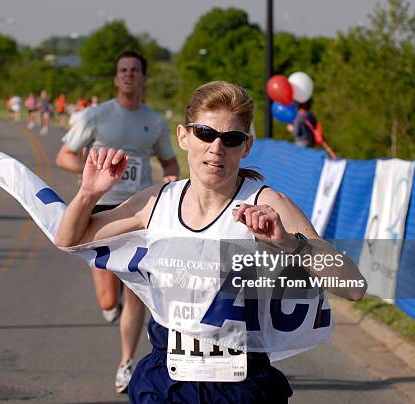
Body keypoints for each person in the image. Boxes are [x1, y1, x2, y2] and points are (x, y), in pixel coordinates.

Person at [54, 81, 366, 402]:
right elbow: (69, 239)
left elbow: (354, 286)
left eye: (231, 139)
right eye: (205, 133)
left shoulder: (267, 204)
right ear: (183, 136)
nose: (217, 148)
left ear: (246, 147)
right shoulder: (156, 202)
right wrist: (89, 193)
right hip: (166, 381)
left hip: (239, 384)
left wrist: (289, 244)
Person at [55, 50, 180, 393]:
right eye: (122, 69)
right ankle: (113, 305)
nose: (128, 75)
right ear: (116, 78)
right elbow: (63, 155)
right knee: (109, 300)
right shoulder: (96, 116)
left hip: (139, 210)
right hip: (102, 207)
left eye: (135, 70)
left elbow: (170, 164)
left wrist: (170, 182)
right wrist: (95, 177)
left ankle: (126, 362)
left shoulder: (154, 121)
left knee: (136, 291)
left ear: (143, 78)